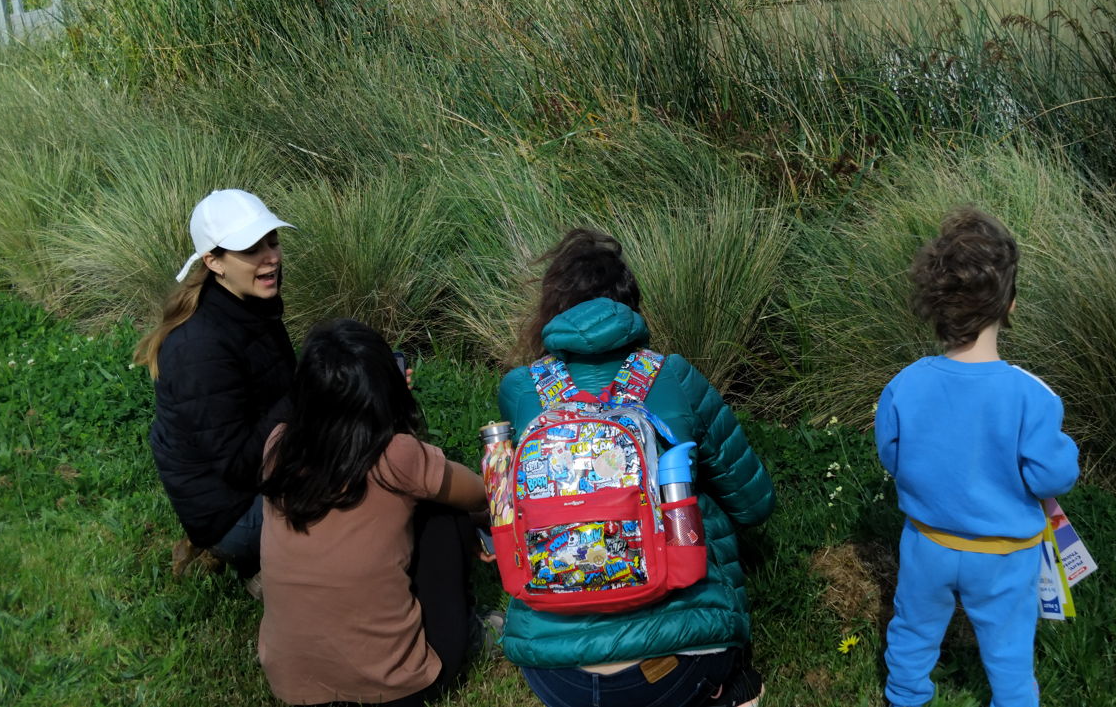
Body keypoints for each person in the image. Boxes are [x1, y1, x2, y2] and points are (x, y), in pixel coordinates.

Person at [495, 228, 776, 707]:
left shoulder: (523, 388)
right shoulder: (672, 375)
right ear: (630, 305)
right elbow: (753, 504)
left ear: (552, 311)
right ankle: (729, 694)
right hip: (675, 664)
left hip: (556, 672)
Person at [875, 207, 1081, 707]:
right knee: (1010, 648)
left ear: (938, 306)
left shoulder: (904, 385)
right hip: (1006, 554)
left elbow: (892, 455)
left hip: (928, 543)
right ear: (1009, 304)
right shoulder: (1032, 396)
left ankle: (905, 695)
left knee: (914, 628)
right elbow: (1051, 475)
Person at [258, 318, 489, 707]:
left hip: (294, 685)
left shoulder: (278, 446)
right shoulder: (396, 455)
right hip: (399, 688)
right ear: (386, 389)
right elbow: (478, 492)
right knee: (442, 515)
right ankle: (471, 627)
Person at [134, 188, 296, 584]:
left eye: (272, 240)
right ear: (214, 262)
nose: (270, 256)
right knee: (373, 494)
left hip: (262, 476)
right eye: (251, 248)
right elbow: (239, 464)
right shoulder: (198, 347)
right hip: (232, 513)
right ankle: (267, 573)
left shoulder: (250, 307)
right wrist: (313, 390)